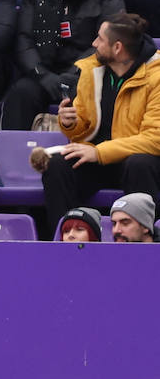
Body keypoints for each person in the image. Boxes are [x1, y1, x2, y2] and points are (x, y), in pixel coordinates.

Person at [41, 12, 160, 228]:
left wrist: (99, 152)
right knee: (57, 165)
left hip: (138, 162)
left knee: (140, 163)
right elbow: (84, 126)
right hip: (100, 159)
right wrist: (70, 123)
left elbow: (154, 139)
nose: (94, 43)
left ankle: (144, 243)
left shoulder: (156, 75)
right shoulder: (92, 69)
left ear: (117, 48)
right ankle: (63, 238)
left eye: (100, 39)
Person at [3, 0, 126, 130]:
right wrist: (42, 75)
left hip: (91, 73)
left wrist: (74, 74)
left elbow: (109, 42)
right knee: (22, 92)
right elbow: (25, 41)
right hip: (46, 74)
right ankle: (13, 156)